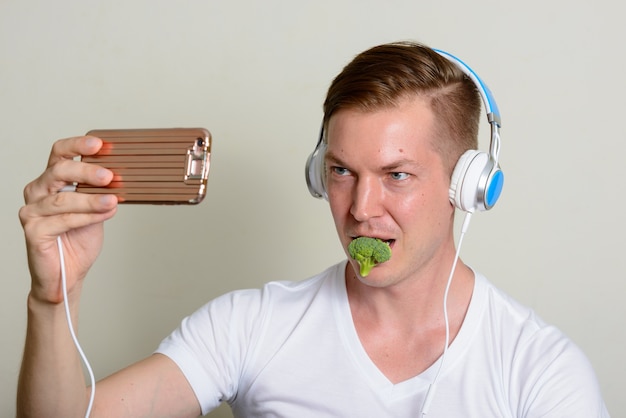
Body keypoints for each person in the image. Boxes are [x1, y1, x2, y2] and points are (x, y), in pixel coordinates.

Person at [17, 41, 609, 417]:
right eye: (342, 172)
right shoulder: (250, 326)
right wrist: (53, 298)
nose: (361, 208)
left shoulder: (541, 373)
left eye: (397, 174)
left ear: (467, 186)